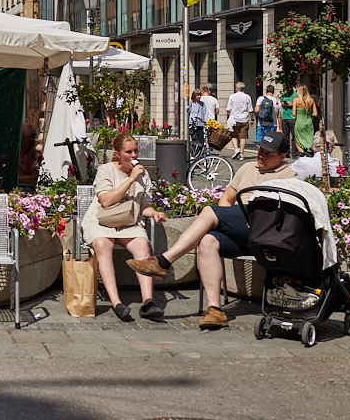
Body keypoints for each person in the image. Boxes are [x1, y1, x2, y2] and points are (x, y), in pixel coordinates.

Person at [127, 131, 298, 329]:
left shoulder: (288, 176)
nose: (261, 155)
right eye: (260, 150)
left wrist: (223, 217)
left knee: (208, 211)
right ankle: (215, 310)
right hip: (242, 229)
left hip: (265, 231)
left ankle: (164, 261)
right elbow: (226, 199)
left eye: (268, 153)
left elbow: (279, 212)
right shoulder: (247, 168)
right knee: (208, 240)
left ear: (282, 156)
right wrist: (226, 222)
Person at [80, 134, 166, 320]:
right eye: (129, 152)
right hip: (101, 220)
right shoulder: (105, 170)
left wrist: (154, 213)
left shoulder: (143, 174)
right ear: (117, 154)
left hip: (128, 223)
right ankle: (116, 303)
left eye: (136, 150)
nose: (134, 155)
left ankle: (148, 302)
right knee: (103, 244)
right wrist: (130, 180)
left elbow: (144, 206)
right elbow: (106, 201)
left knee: (142, 244)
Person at [225, 82, 253, 160]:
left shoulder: (232, 96)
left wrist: (227, 117)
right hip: (244, 119)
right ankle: (241, 154)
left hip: (234, 119)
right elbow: (250, 109)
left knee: (233, 135)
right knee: (243, 137)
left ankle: (236, 149)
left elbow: (228, 109)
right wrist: (252, 119)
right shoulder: (247, 97)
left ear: (236, 88)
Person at [290, 85, 318, 156]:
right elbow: (315, 113)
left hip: (300, 122)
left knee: (298, 139)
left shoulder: (296, 100)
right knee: (309, 138)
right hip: (308, 122)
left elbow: (293, 113)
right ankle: (309, 150)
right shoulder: (311, 100)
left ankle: (303, 153)